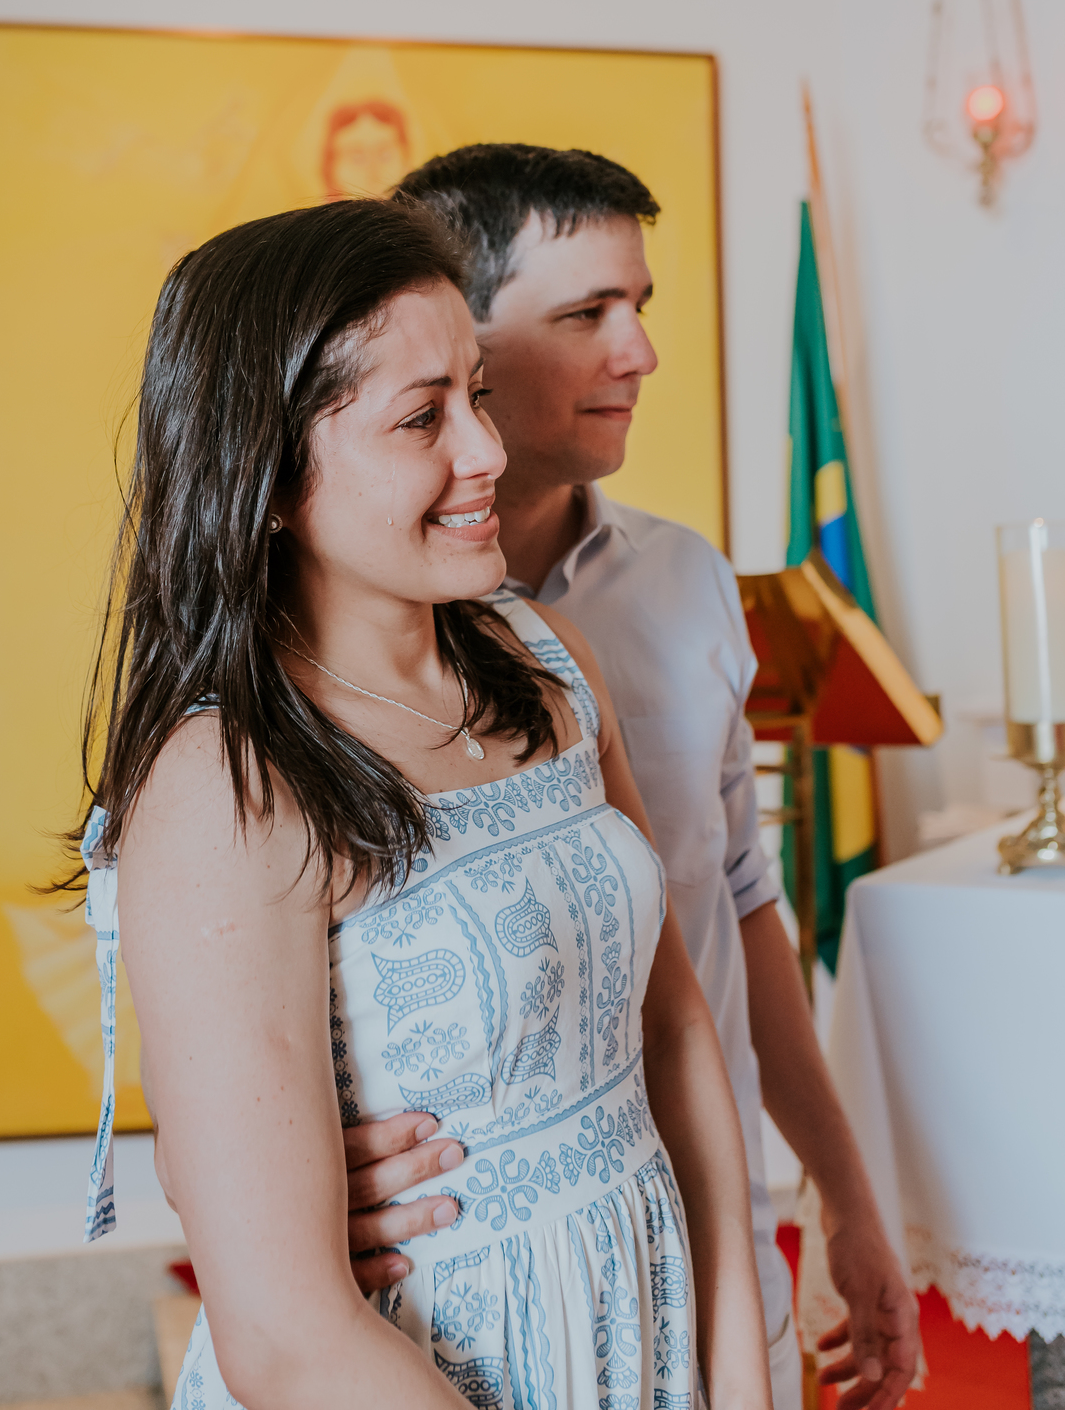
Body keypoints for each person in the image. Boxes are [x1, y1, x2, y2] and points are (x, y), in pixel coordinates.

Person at [70, 199, 771, 1409]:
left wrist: (738, 1378)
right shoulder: (228, 784)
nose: (488, 452)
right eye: (420, 418)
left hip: (641, 1333)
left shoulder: (548, 659)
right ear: (271, 471)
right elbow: (287, 1334)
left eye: (478, 394)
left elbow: (674, 1031)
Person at [339, 147, 919, 1410]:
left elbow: (736, 907)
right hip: (479, 1306)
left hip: (714, 1265)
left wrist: (846, 1198)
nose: (640, 350)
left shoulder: (690, 585)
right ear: (464, 341)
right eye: (587, 313)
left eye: (640, 305)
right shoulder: (344, 646)